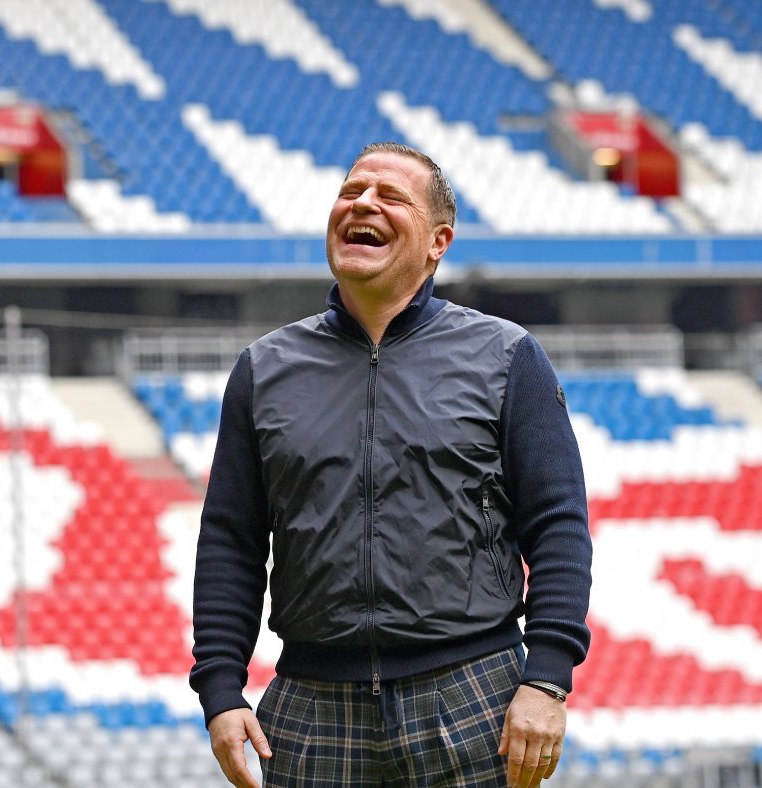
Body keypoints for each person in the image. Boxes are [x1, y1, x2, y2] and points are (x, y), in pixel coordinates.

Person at [190, 142, 592, 788]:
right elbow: (230, 541)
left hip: (474, 696)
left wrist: (547, 678)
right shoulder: (264, 368)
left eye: (390, 197)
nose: (362, 204)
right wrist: (220, 690)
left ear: (438, 242)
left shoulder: (507, 356)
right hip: (310, 705)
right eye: (351, 192)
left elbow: (559, 525)